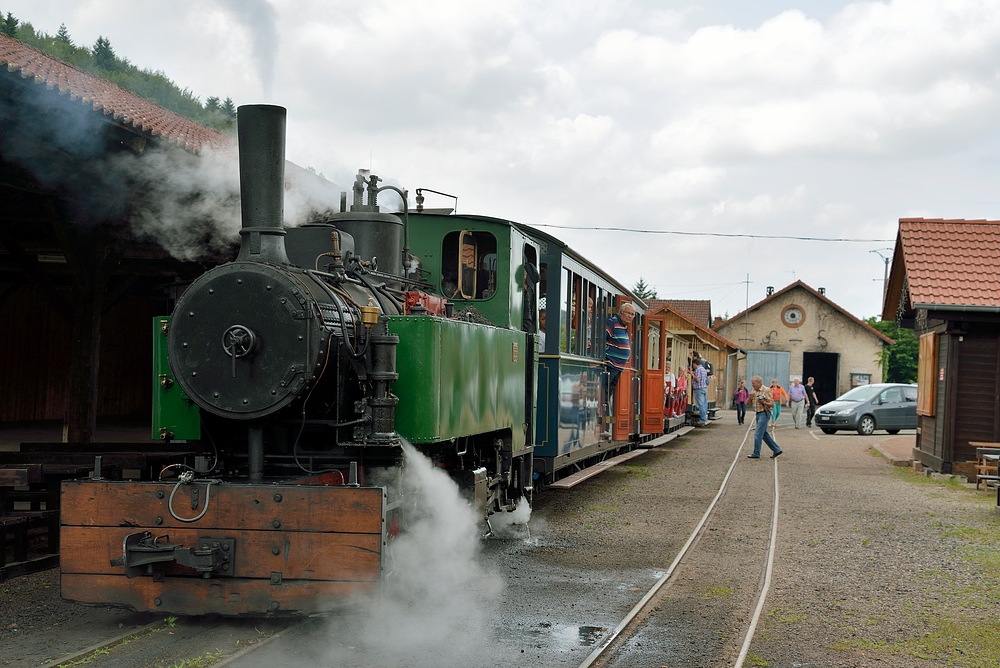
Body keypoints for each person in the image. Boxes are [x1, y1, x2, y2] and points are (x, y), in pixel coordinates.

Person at [603, 303, 635, 430]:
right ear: (621, 312)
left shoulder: (623, 326)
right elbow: (600, 339)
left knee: (608, 395)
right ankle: (603, 427)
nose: (630, 316)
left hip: (617, 368)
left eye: (632, 315)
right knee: (604, 395)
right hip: (610, 365)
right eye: (628, 313)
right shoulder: (612, 323)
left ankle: (605, 426)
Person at [747, 375, 782, 459]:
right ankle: (777, 449)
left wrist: (763, 402)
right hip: (758, 413)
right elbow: (747, 404)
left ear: (758, 383)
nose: (752, 384)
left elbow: (772, 404)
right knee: (764, 434)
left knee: (758, 434)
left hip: (764, 413)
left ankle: (756, 453)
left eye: (753, 383)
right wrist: (750, 397)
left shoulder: (766, 390)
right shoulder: (753, 391)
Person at [691, 357, 709, 426]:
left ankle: (702, 420)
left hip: (699, 388)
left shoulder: (698, 369)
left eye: (693, 364)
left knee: (700, 405)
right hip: (704, 388)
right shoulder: (704, 369)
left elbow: (697, 379)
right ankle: (704, 418)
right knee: (704, 404)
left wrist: (693, 375)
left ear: (695, 363)